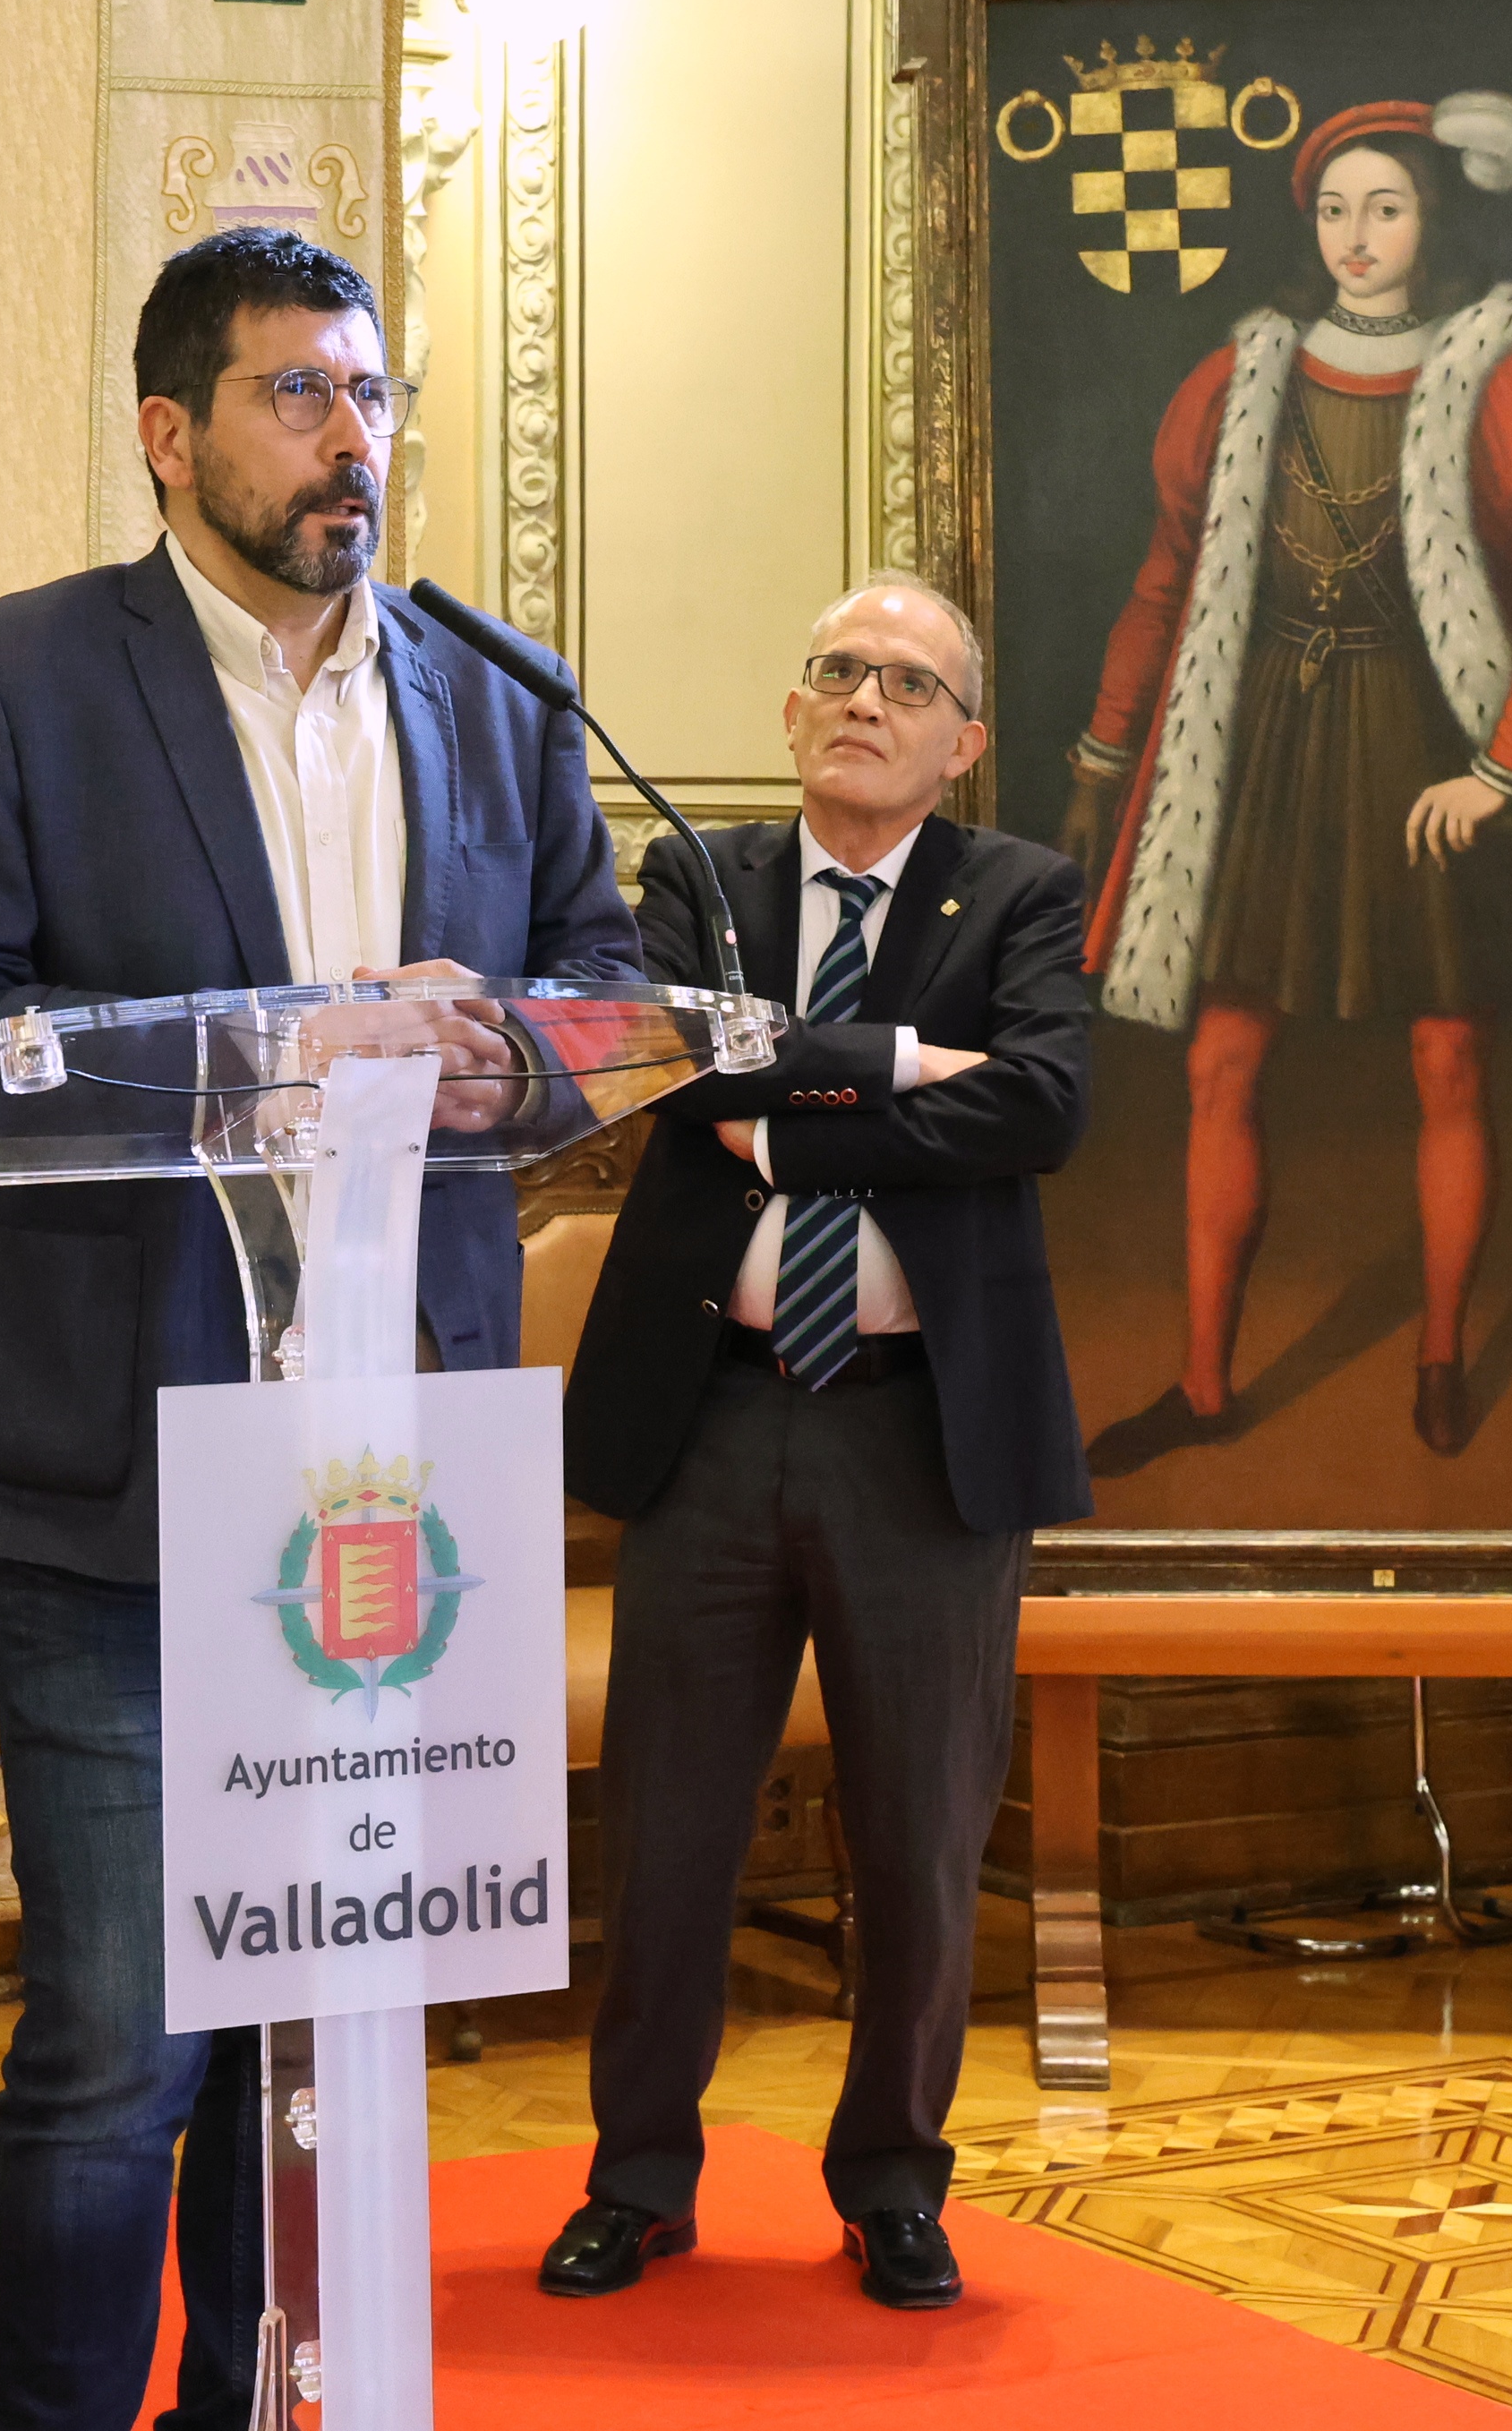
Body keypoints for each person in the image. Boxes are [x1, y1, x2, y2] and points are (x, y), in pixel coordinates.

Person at [0, 226, 636, 2430]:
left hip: (394, 1475)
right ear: (168, 432)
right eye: (300, 393)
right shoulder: (5, 680)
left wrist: (510, 1055)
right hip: (127, 1455)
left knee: (317, 2021)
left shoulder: (497, 694)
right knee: (125, 2042)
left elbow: (595, 983)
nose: (350, 437)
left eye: (372, 393)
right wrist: (286, 1044)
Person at [544, 572, 1089, 2313]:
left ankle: (894, 2182)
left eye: (908, 683)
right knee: (670, 1832)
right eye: (840, 671)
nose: (866, 699)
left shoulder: (1022, 890)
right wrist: (911, 1064)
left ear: (963, 740)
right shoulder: (699, 878)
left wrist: (787, 1120)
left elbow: (1042, 1102)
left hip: (922, 1432)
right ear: (794, 712)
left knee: (920, 1837)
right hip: (710, 1411)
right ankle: (638, 2177)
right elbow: (666, 1071)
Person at [1061, 92, 1512, 1472]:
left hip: (1432, 743)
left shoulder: (1511, 371)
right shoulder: (1242, 376)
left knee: (1448, 1057)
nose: (1356, 236)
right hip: (1266, 742)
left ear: (1437, 217)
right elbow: (1166, 580)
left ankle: (1439, 1358)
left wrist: (1501, 770)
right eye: (1333, 209)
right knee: (1221, 1059)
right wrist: (1104, 751)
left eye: (1387, 206)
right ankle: (1204, 1383)